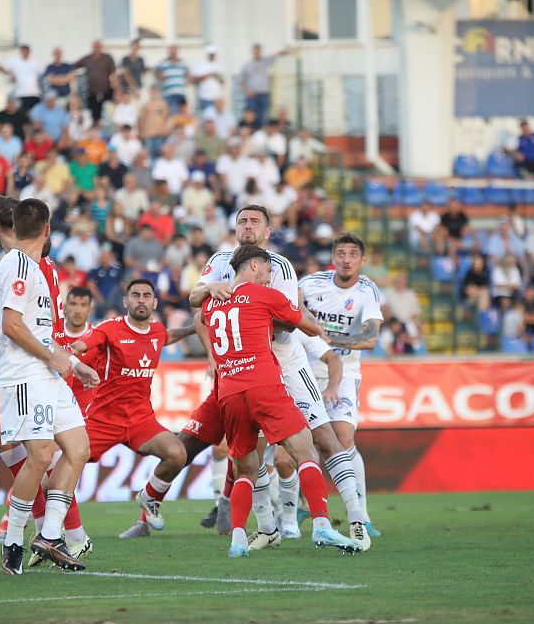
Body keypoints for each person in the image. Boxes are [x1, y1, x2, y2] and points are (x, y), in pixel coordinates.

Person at [198, 244, 359, 557]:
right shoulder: (266, 295)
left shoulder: (211, 303)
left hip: (229, 391)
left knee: (244, 468)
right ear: (255, 266)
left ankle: (238, 539)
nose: (270, 276)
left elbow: (199, 316)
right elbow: (306, 326)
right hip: (264, 386)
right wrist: (311, 320)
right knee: (305, 450)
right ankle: (323, 525)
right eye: (268, 270)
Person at [0, 198, 100, 574]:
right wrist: (52, 358)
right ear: (48, 230)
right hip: (23, 373)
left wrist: (73, 362)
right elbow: (13, 324)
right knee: (40, 454)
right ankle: (12, 543)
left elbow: (39, 331)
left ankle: (50, 535)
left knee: (78, 448)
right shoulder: (19, 265)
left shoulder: (37, 266)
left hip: (47, 372)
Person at [74, 279, 194, 538]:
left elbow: (167, 336)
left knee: (177, 454)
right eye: (136, 295)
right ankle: (34, 523)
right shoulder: (110, 329)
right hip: (103, 419)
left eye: (147, 295)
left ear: (155, 303)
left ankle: (149, 497)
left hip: (140, 420)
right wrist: (71, 359)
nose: (141, 299)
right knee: (64, 470)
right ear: (125, 301)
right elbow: (80, 345)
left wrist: (192, 329)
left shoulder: (157, 331)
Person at [298, 233, 384, 539]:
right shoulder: (311, 283)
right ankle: (296, 505)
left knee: (343, 437)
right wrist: (306, 321)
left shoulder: (368, 292)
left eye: (352, 254)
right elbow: (292, 305)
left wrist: (324, 337)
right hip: (305, 367)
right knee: (299, 440)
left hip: (344, 371)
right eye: (341, 253)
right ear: (333, 258)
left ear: (362, 260)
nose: (346, 259)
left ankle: (360, 514)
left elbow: (371, 339)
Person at [239, 44, 288, 127]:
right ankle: (250, 131)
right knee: (250, 116)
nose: (257, 53)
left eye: (258, 51)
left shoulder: (265, 61)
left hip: (264, 94)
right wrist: (247, 91)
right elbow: (241, 81)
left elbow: (276, 54)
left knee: (263, 116)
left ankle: (260, 131)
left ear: (261, 52)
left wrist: (286, 48)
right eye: (255, 51)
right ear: (253, 52)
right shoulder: (247, 65)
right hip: (252, 96)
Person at [4, 44, 42, 115]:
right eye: (23, 51)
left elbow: (39, 77)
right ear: (21, 52)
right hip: (20, 94)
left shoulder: (35, 62)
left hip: (34, 94)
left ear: (29, 52)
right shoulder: (14, 61)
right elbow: (3, 67)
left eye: (26, 51)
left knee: (34, 115)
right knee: (21, 114)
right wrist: (10, 73)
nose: (25, 53)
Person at [155, 45, 189, 114]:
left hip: (181, 93)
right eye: (171, 52)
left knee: (182, 114)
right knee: (173, 113)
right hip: (169, 93)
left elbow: (188, 72)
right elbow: (156, 71)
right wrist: (160, 76)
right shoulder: (164, 63)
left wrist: (187, 79)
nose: (173, 53)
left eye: (174, 52)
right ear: (169, 53)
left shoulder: (182, 63)